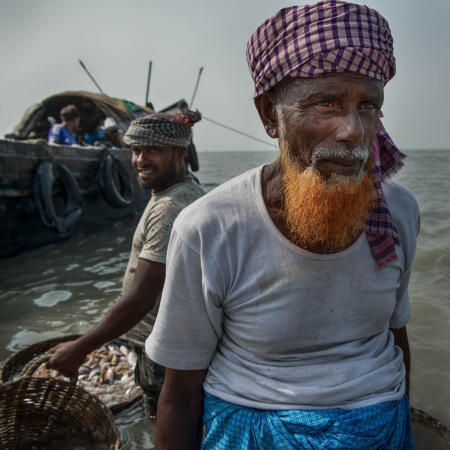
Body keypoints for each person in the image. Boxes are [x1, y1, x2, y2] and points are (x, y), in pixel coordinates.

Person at [145, 2, 420, 449]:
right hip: (252, 426)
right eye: (327, 102)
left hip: (381, 424)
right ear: (269, 114)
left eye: (368, 106)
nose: (353, 129)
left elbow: (394, 337)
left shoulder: (399, 213)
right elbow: (179, 394)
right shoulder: (208, 226)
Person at [48, 109, 205, 416]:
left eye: (153, 151)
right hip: (169, 343)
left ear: (180, 153)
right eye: (136, 151)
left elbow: (140, 300)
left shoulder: (170, 208)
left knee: (167, 420)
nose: (141, 161)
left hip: (165, 350)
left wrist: (79, 349)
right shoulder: (175, 191)